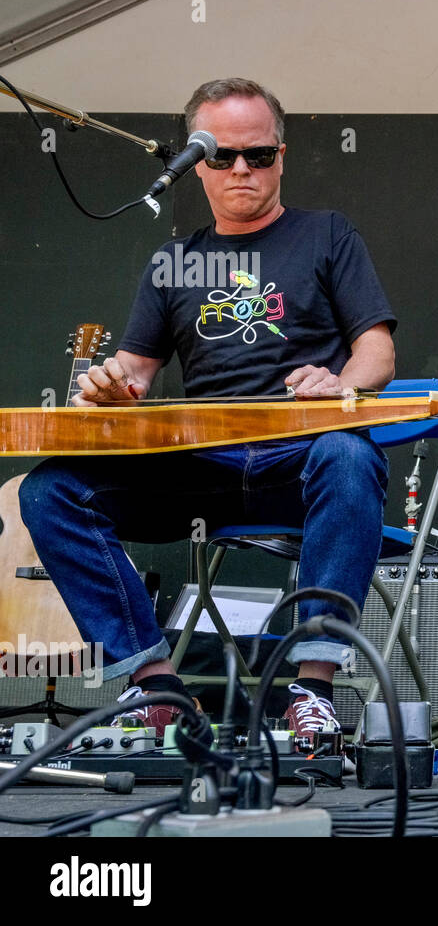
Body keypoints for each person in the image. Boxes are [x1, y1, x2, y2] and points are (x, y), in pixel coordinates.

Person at [20, 78, 397, 743]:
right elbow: (135, 373)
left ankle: (312, 688)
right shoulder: (175, 261)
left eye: (258, 154)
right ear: (198, 165)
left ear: (282, 156)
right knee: (51, 490)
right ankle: (155, 685)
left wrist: (339, 382)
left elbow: (378, 351)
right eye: (221, 156)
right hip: (201, 468)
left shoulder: (328, 236)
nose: (241, 169)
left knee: (348, 453)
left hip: (299, 458)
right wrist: (111, 388)